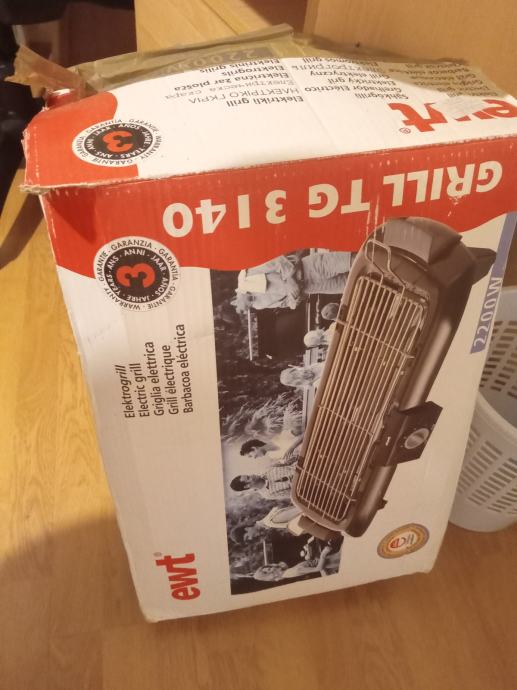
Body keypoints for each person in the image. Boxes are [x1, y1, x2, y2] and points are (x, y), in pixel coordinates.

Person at [253, 543, 341, 581]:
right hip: (333, 561)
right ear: (271, 575)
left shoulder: (287, 573)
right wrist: (323, 554)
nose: (271, 567)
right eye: (268, 570)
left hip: (331, 559)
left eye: (268, 567)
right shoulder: (294, 571)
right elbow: (318, 568)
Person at [230, 462, 296, 501]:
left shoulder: (267, 469)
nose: (252, 474)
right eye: (248, 477)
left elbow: (288, 462)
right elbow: (295, 494)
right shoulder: (268, 494)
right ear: (247, 486)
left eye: (248, 475)